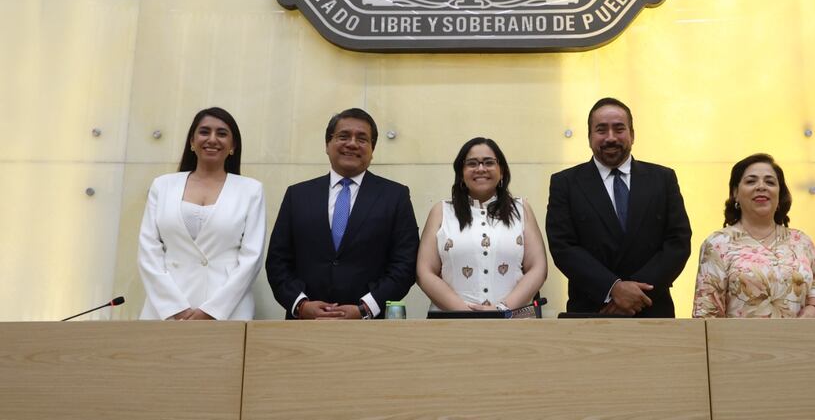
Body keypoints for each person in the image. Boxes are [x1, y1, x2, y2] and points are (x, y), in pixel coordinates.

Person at [265, 108, 419, 320]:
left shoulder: (395, 196)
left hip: (370, 328)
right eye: (343, 136)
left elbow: (405, 263)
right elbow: (277, 261)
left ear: (372, 149)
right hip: (304, 324)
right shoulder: (297, 195)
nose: (352, 143)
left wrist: (365, 308)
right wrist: (301, 305)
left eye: (362, 139)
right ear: (327, 145)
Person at [546, 98, 692, 317]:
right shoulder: (565, 184)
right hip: (593, 309)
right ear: (589, 137)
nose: (611, 137)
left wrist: (634, 294)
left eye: (619, 129)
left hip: (651, 308)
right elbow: (563, 246)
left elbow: (677, 242)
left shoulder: (662, 179)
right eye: (601, 130)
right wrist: (613, 288)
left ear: (632, 134)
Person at [137, 107, 265, 320]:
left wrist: (212, 311)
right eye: (204, 132)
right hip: (165, 309)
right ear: (192, 141)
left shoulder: (251, 190)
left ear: (233, 145)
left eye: (222, 133)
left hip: (228, 310)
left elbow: (252, 258)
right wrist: (175, 307)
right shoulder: (163, 185)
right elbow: (148, 250)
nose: (212, 139)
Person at [692, 153, 815, 318]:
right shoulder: (717, 244)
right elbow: (707, 312)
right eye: (751, 181)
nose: (761, 186)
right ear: (735, 193)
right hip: (741, 342)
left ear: (779, 194)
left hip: (801, 340)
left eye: (770, 182)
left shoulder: (801, 240)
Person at [416, 137, 547, 313]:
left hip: (513, 322)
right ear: (461, 173)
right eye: (472, 164)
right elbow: (424, 272)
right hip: (451, 322)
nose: (480, 169)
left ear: (502, 171)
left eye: (489, 162)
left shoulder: (521, 209)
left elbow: (538, 267)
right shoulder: (441, 211)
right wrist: (464, 312)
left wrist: (502, 309)